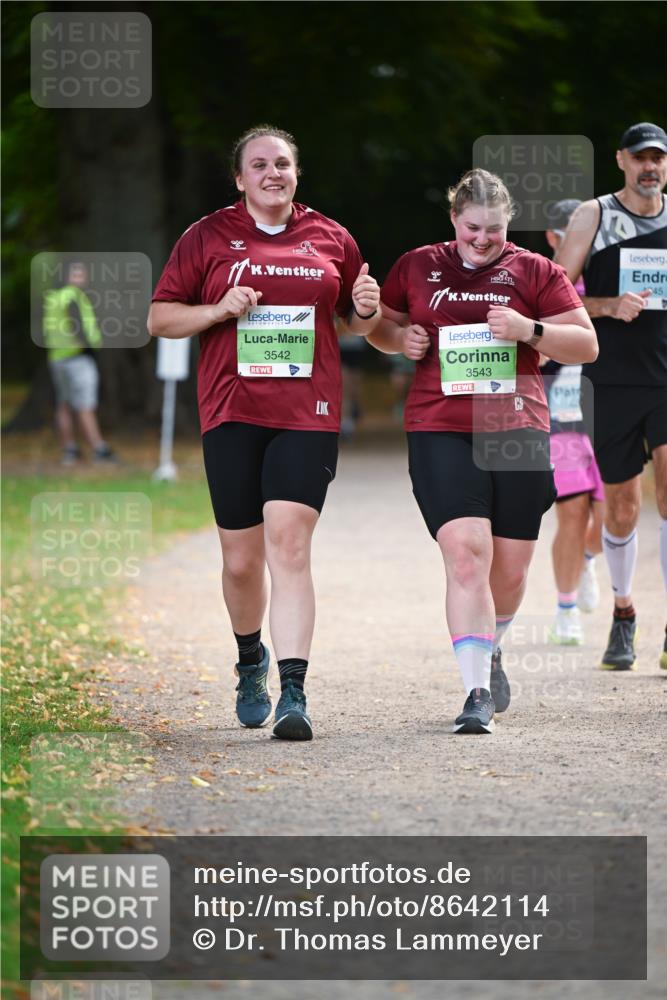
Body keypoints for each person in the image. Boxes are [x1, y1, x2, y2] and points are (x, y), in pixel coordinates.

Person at [148, 125, 381, 740]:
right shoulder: (208, 237)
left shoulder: (332, 238)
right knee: (242, 559)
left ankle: (293, 690)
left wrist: (365, 307)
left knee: (290, 542)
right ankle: (250, 659)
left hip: (309, 411)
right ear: (240, 178)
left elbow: (358, 324)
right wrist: (218, 310)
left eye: (282, 163)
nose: (272, 173)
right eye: (259, 164)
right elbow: (161, 318)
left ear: (296, 173)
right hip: (232, 410)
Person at [367, 169, 597, 734]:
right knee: (468, 552)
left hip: (517, 427)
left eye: (493, 229)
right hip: (439, 424)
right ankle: (475, 692)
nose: (481, 239)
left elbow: (586, 342)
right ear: (454, 220)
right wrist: (401, 340)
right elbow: (377, 327)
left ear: (508, 223)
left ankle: (492, 647)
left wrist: (529, 328)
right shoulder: (418, 265)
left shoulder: (535, 271)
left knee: (512, 571)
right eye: (472, 228)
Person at [556, 122, 667, 671]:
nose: (651, 167)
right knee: (622, 508)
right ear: (622, 160)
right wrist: (606, 306)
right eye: (641, 157)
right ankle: (624, 612)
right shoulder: (593, 217)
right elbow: (557, 294)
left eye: (659, 159)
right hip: (612, 380)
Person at [541, 200, 604, 644]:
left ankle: (588, 558)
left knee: (612, 516)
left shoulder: (606, 276)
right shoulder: (543, 281)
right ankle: (565, 610)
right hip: (560, 412)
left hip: (609, 409)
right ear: (553, 236)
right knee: (572, 509)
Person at [44, 261, 116, 465]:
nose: (81, 278)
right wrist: (89, 348)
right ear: (68, 276)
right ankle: (98, 448)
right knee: (85, 404)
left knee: (64, 405)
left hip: (57, 357)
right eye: (77, 274)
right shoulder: (74, 296)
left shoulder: (53, 298)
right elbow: (78, 325)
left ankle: (70, 450)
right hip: (78, 357)